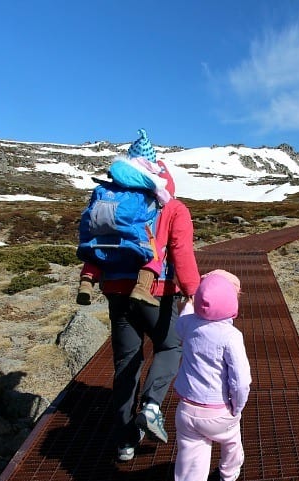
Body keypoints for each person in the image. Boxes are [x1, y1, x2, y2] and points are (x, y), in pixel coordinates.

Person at [78, 129, 201, 462]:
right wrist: (193, 293)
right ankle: (150, 405)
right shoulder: (173, 208)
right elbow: (181, 253)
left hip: (114, 289)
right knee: (170, 345)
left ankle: (124, 441)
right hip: (154, 293)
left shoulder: (107, 197)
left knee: (126, 363)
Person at [172, 270, 251, 481]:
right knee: (232, 444)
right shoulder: (231, 336)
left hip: (187, 411)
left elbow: (181, 319)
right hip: (220, 412)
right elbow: (241, 381)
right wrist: (237, 407)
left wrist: (190, 301)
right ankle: (227, 480)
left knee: (190, 472)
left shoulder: (188, 325)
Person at [76, 129, 176, 308]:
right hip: (129, 232)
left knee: (95, 251)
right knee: (154, 252)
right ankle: (142, 288)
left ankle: (86, 283)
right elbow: (165, 197)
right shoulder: (146, 181)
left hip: (102, 231)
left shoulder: (116, 175)